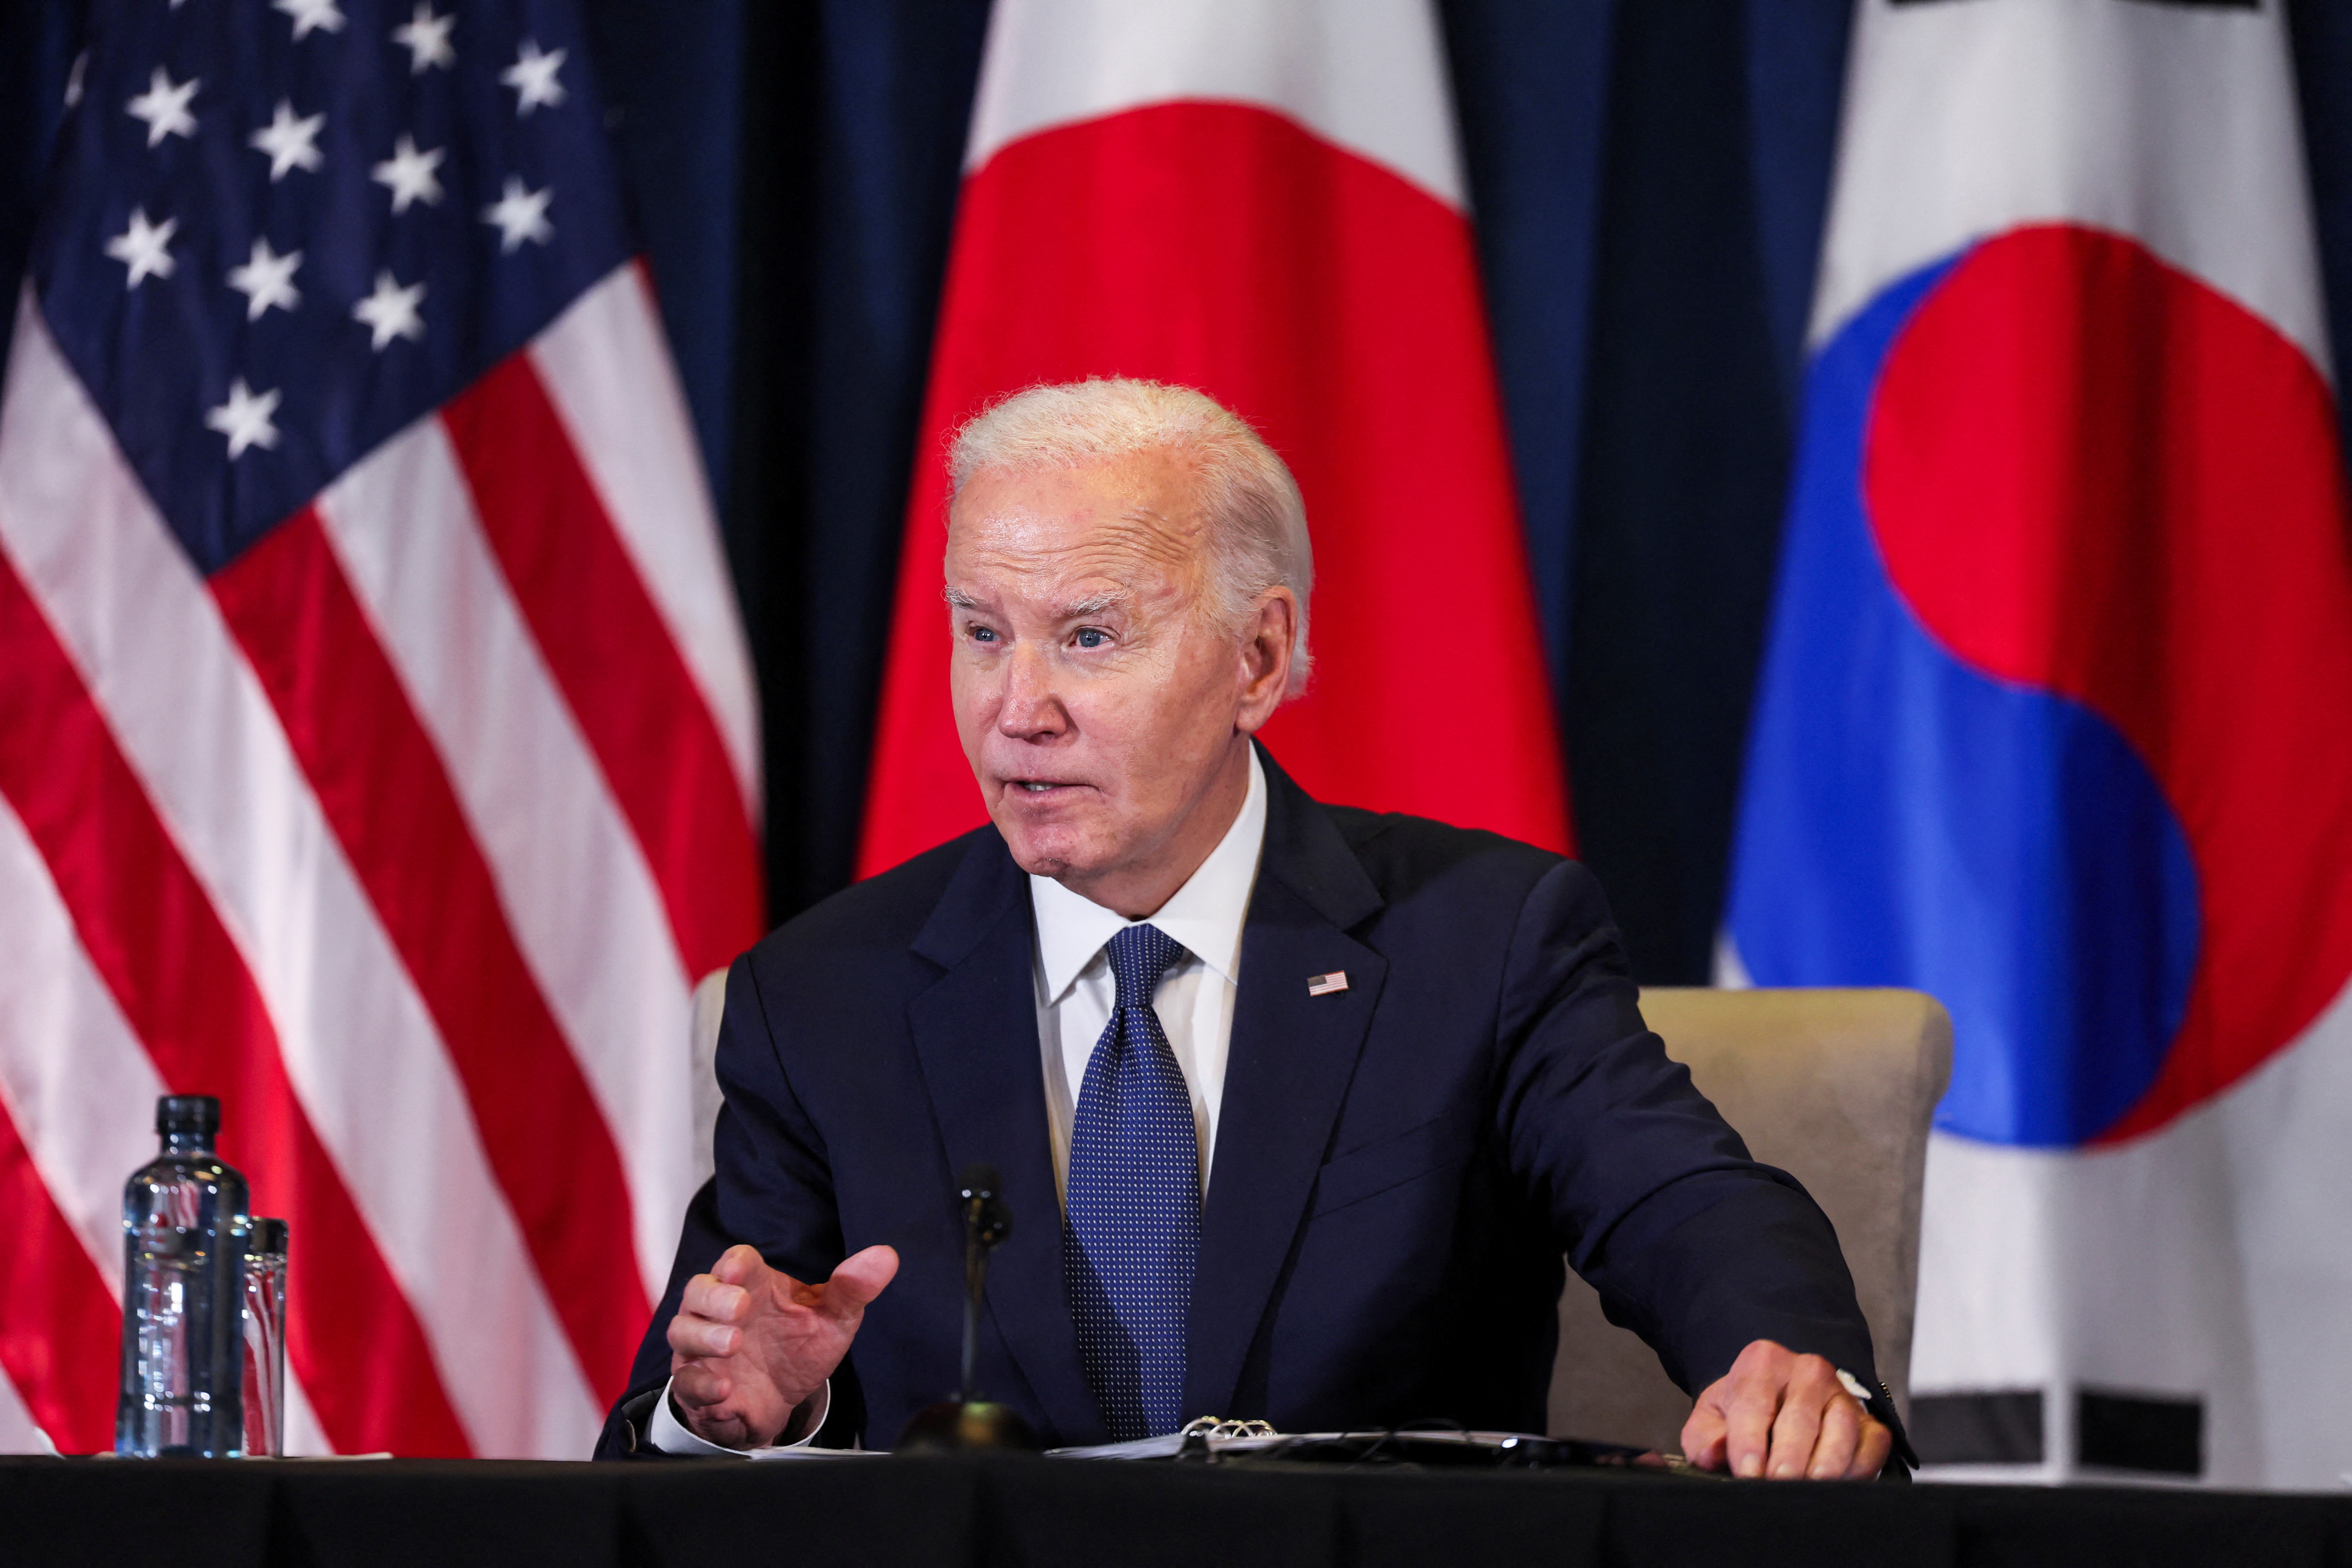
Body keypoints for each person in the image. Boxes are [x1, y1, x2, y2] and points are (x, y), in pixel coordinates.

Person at [597, 379, 1909, 1479]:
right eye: (981, 632)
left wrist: (1786, 1370)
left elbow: (1680, 1201)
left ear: (1258, 659)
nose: (1016, 706)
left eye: (1089, 636)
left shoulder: (1483, 941)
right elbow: (677, 1443)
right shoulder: (822, 1000)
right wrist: (731, 1414)